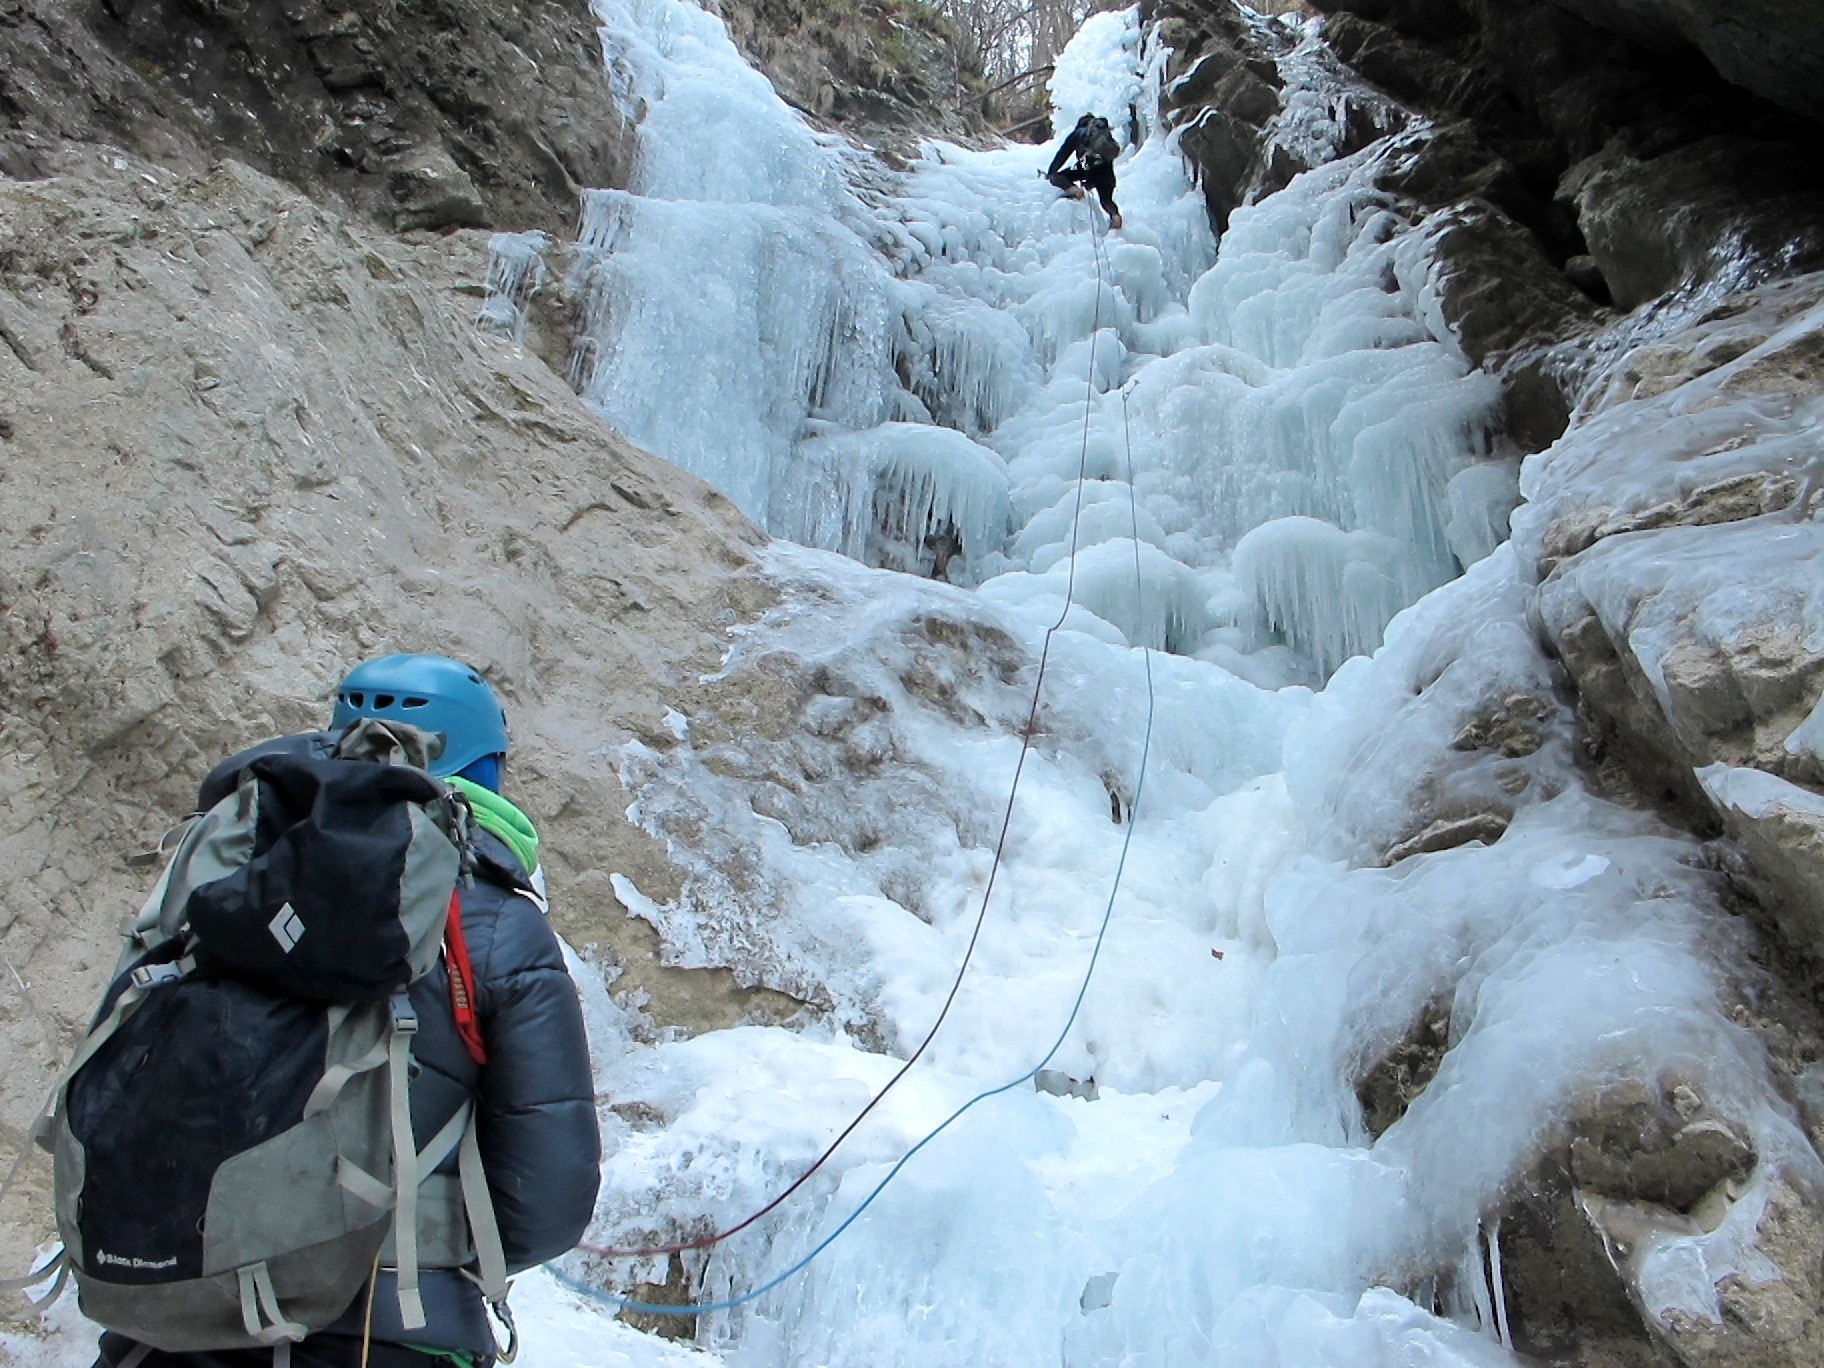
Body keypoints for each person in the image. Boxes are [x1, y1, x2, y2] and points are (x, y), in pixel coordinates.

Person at [92, 653, 601, 1368]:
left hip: (173, 1313)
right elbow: (549, 1199)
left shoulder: (229, 872)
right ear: (485, 768)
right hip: (381, 1330)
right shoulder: (493, 922)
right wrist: (424, 1248)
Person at [1046, 112, 1123, 230]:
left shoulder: (1079, 133)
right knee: (1106, 200)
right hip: (1107, 172)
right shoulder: (1105, 137)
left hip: (1086, 166)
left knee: (1059, 176)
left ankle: (1074, 189)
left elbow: (1062, 154)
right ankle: (1115, 216)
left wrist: (1051, 172)